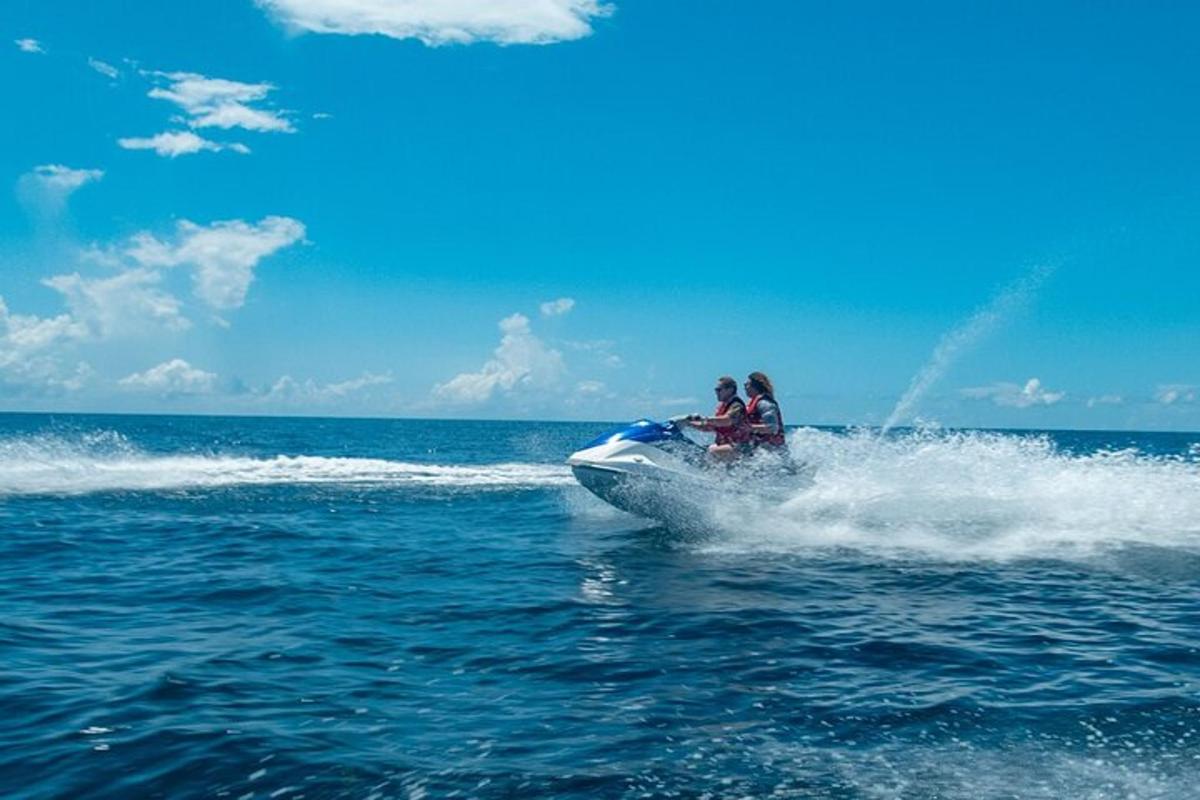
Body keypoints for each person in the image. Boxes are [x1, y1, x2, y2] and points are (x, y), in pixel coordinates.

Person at [686, 376, 750, 461]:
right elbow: (709, 427)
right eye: (716, 390)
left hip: (740, 447)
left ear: (730, 390)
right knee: (701, 450)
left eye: (719, 390)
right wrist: (689, 424)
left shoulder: (737, 405)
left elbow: (726, 420)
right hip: (726, 445)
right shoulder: (723, 407)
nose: (716, 393)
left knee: (712, 451)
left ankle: (708, 472)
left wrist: (703, 419)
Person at [744, 371, 787, 451]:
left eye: (746, 385)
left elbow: (772, 427)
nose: (744, 387)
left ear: (755, 387)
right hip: (758, 448)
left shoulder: (764, 403)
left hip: (772, 451)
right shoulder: (752, 403)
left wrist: (749, 428)